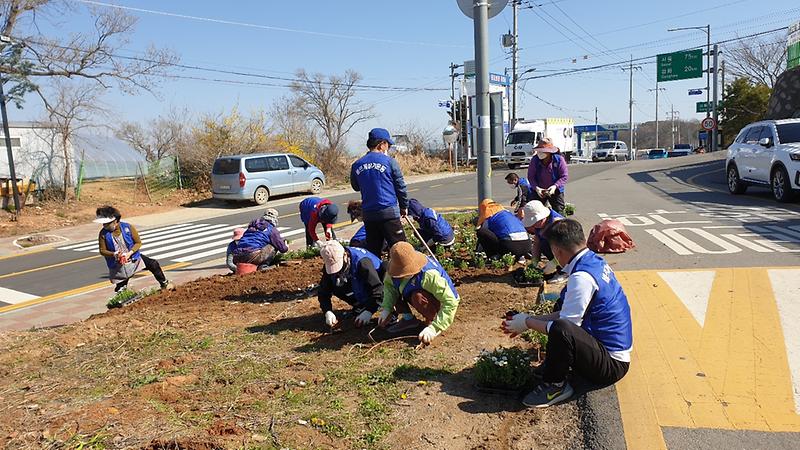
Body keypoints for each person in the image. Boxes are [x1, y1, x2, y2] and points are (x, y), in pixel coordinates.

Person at [501, 219, 632, 408]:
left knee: (562, 328)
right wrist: (529, 319)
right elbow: (565, 314)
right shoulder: (593, 261)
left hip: (611, 365)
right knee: (561, 309)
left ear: (557, 251)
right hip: (605, 347)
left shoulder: (582, 278)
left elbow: (564, 328)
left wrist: (528, 322)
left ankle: (555, 385)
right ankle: (556, 369)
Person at [378, 242, 460, 345]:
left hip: (434, 299)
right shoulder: (395, 267)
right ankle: (408, 319)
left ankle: (431, 320)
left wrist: (435, 327)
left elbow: (451, 301)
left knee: (418, 297)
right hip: (410, 290)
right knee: (395, 290)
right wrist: (387, 308)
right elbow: (389, 287)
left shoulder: (429, 275)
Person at [350, 128, 408, 256]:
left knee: (373, 251)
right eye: (388, 144)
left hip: (369, 215)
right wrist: (404, 207)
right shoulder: (390, 162)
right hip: (389, 213)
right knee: (401, 250)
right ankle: (404, 275)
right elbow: (400, 187)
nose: (388, 147)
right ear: (381, 144)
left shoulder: (357, 165)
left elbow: (356, 186)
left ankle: (375, 274)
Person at [94, 205, 173, 292]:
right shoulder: (103, 234)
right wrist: (114, 254)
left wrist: (129, 253)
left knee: (153, 264)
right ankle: (122, 297)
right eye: (104, 224)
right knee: (121, 284)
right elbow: (102, 250)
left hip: (133, 257)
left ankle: (164, 283)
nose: (104, 226)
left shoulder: (127, 227)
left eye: (107, 224)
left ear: (115, 221)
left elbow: (138, 243)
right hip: (117, 262)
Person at [318, 241, 385, 328]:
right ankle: (360, 306)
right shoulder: (330, 264)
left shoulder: (362, 262)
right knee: (335, 283)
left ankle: (388, 311)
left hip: (376, 283)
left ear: (345, 255)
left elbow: (378, 288)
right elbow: (323, 291)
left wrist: (369, 311)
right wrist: (327, 311)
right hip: (357, 284)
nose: (337, 271)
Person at [521, 201, 567, 283]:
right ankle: (559, 267)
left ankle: (564, 272)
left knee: (547, 243)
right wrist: (534, 261)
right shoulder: (539, 224)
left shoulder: (558, 223)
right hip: (555, 249)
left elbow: (566, 248)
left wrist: (554, 262)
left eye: (535, 222)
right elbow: (536, 243)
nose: (534, 226)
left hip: (565, 251)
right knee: (543, 243)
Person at [527, 138, 568, 215]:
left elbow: (564, 176)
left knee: (559, 212)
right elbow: (531, 177)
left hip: (555, 190)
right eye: (538, 151)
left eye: (542, 151)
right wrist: (536, 188)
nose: (539, 153)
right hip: (539, 190)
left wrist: (555, 186)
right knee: (535, 212)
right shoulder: (535, 160)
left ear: (549, 152)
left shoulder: (559, 159)